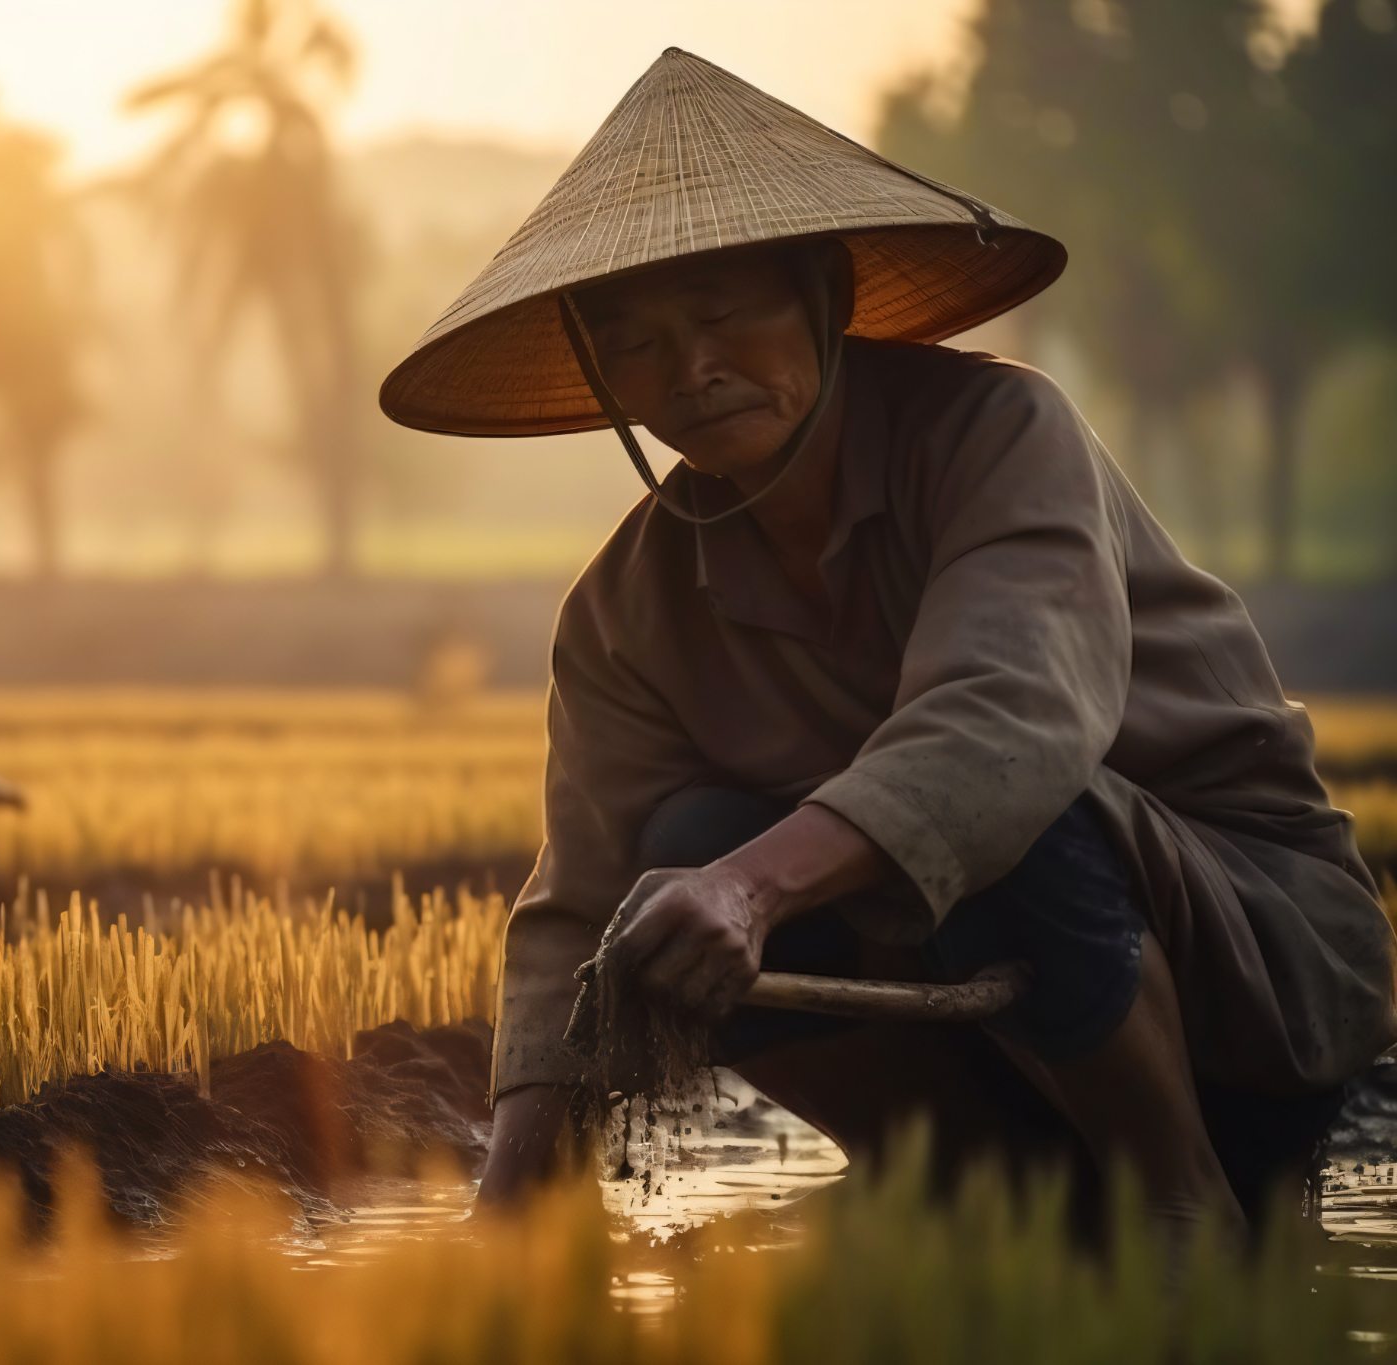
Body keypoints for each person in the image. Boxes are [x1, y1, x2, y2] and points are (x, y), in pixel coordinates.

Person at [379, 49, 1395, 1239]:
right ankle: (961, 1191)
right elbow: (578, 906)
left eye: (719, 314)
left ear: (823, 296)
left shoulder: (998, 433)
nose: (690, 370)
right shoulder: (622, 612)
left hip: (1243, 973)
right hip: (976, 1035)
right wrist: (505, 1224)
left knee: (995, 815)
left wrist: (749, 888)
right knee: (676, 854)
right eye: (637, 345)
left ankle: (1176, 1205)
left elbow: (1000, 733)